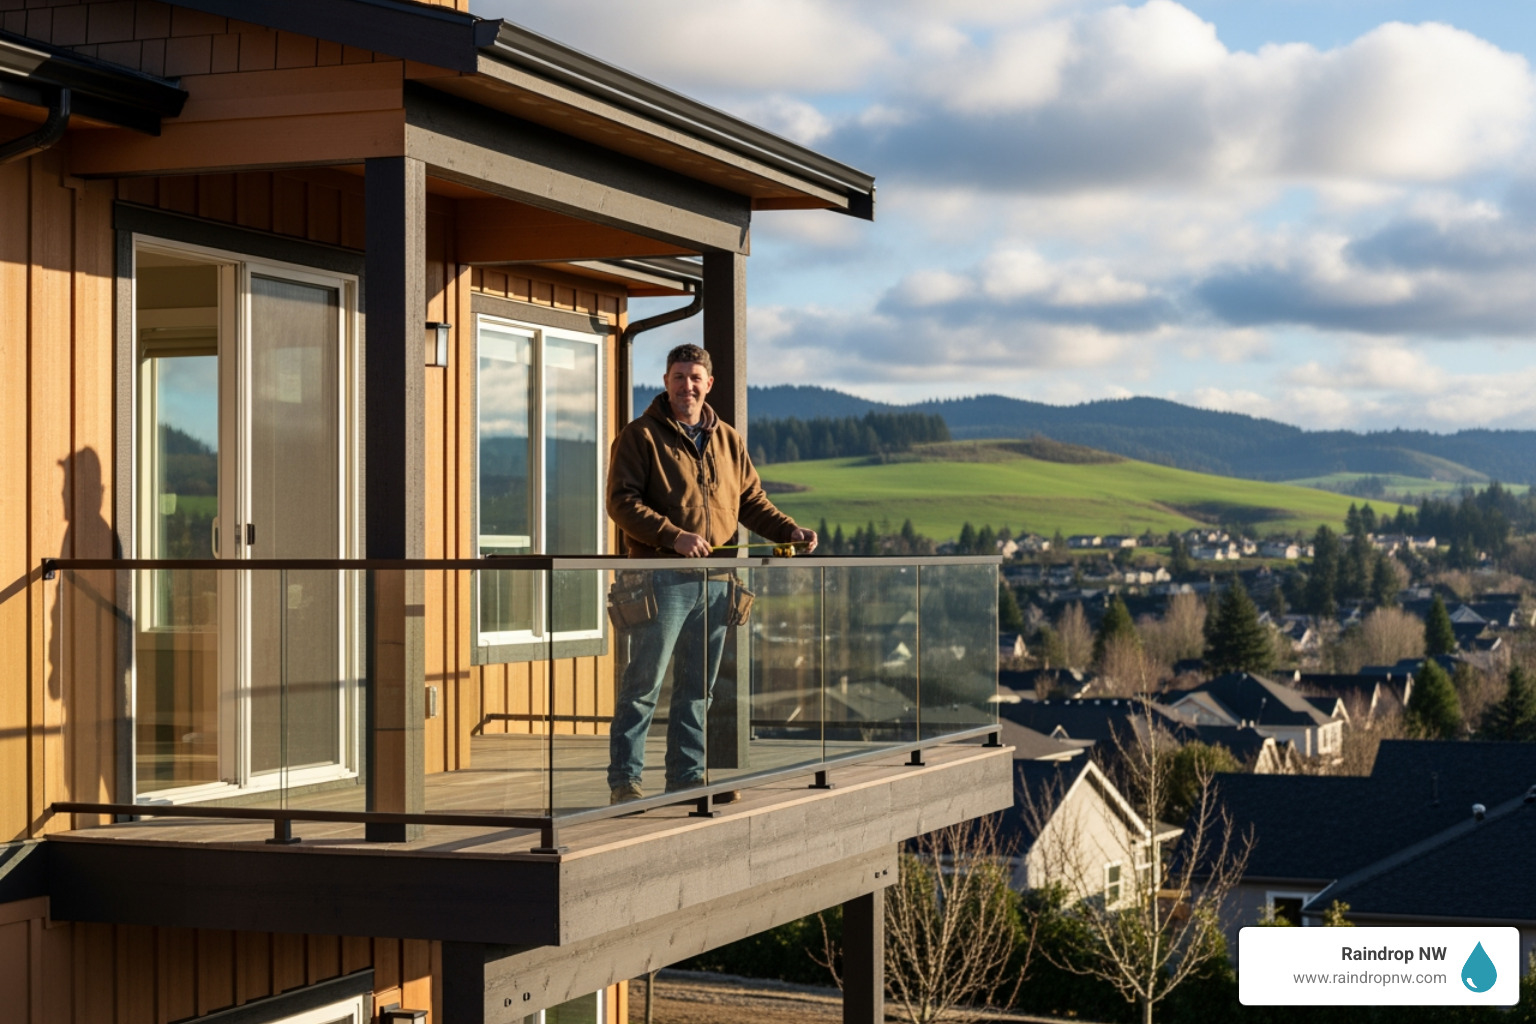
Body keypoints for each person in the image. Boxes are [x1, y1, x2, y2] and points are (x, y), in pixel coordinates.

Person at [605, 343, 817, 804]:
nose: (687, 386)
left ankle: (686, 779)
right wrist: (673, 536)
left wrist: (789, 530)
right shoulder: (639, 436)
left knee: (698, 689)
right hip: (660, 581)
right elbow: (621, 503)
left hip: (719, 581)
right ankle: (624, 782)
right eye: (679, 377)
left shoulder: (729, 440)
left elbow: (752, 502)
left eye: (695, 378)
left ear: (709, 384)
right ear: (666, 382)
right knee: (644, 684)